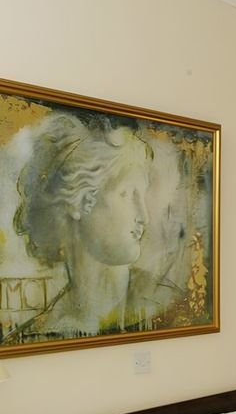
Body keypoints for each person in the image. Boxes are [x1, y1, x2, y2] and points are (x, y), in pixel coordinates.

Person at [13, 113, 153, 337]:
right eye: (125, 194)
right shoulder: (42, 333)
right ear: (76, 201)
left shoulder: (163, 304)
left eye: (142, 194)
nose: (144, 217)